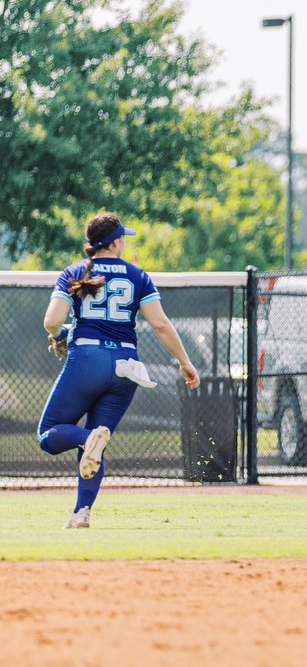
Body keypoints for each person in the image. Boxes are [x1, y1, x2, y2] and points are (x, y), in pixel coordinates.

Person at [38, 213, 200, 528]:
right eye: (123, 237)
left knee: (49, 435)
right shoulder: (138, 275)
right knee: (95, 444)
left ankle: (88, 438)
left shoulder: (74, 272)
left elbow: (52, 321)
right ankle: (82, 512)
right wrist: (185, 361)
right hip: (128, 367)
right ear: (115, 242)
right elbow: (160, 323)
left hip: (88, 360)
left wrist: (60, 336)